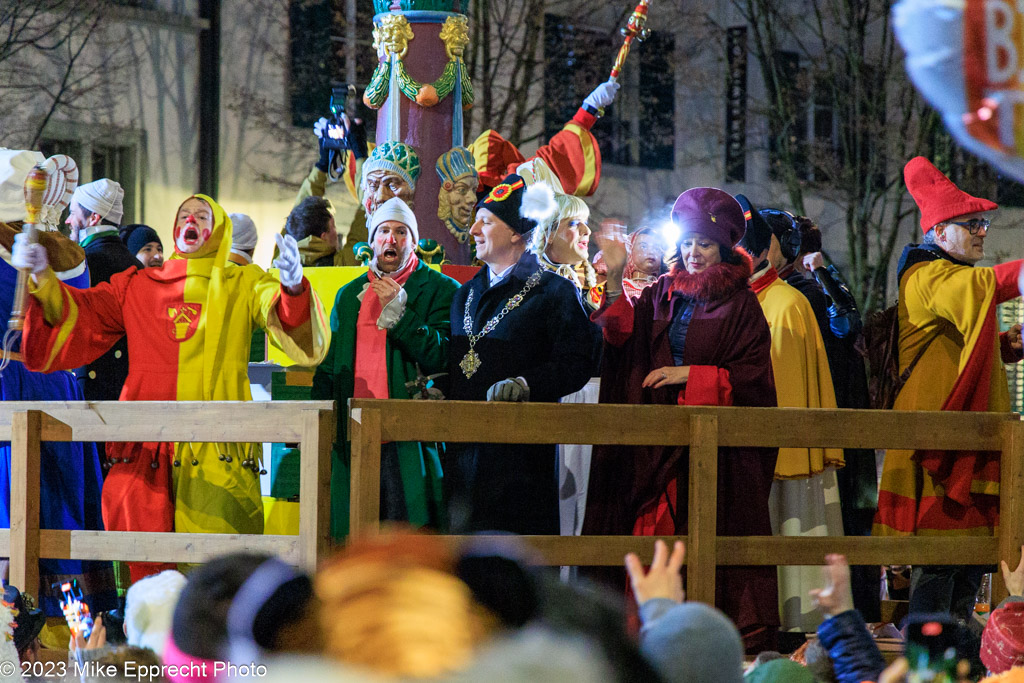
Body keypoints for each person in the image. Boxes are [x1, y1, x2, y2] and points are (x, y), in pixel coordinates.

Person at [17, 194, 329, 583]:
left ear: (218, 230)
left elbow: (286, 321)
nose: (191, 220)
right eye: (184, 215)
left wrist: (294, 286)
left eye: (201, 215)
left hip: (216, 455)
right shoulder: (137, 284)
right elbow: (82, 312)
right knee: (146, 581)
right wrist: (44, 279)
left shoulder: (243, 282)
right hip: (145, 455)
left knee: (215, 581)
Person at [585, 188, 779, 651]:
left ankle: (701, 637)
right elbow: (623, 342)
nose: (693, 254)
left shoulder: (743, 305)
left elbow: (753, 379)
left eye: (705, 245)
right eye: (688, 242)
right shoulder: (660, 292)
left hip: (711, 450)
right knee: (651, 534)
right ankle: (644, 629)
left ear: (724, 248)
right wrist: (613, 282)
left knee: (703, 536)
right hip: (655, 443)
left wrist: (692, 375)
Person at [876, 156, 1024, 621]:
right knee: (939, 565)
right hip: (939, 447)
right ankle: (930, 663)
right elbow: (976, 290)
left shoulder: (948, 274)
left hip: (962, 438)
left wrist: (1003, 345)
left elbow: (953, 343)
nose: (983, 231)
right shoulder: (927, 274)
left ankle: (958, 661)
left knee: (969, 566)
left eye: (982, 223)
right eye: (970, 224)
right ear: (939, 234)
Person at [446, 174, 600, 535]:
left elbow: (578, 361)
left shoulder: (554, 292)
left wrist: (527, 383)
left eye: (486, 221)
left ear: (516, 232)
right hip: (463, 461)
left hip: (519, 465)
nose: (474, 231)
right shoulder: (463, 295)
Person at [0, 149, 115, 618]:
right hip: (59, 385)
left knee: (16, 504)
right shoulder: (69, 251)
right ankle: (75, 623)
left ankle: (16, 623)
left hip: (11, 383)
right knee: (60, 505)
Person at [312, 197, 459, 539]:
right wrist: (316, 417)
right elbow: (332, 366)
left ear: (413, 240)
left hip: (408, 436)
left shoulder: (442, 289)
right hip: (353, 433)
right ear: (371, 241)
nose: (391, 240)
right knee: (354, 537)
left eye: (401, 232)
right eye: (383, 232)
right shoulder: (349, 295)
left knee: (409, 536)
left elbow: (445, 358)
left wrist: (402, 317)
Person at [763, 209, 879, 622]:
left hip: (830, 419)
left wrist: (827, 275)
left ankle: (850, 612)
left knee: (845, 514)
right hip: (813, 420)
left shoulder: (806, 291)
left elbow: (847, 325)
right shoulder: (775, 292)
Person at [738, 194, 844, 633]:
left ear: (763, 253)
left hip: (781, 459)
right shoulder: (749, 301)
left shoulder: (783, 304)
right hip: (749, 457)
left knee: (792, 534)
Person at [470, 80, 620, 198]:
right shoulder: (499, 189)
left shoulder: (501, 190)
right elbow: (548, 165)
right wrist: (588, 109)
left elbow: (546, 166)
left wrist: (589, 109)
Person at [66, 179, 141, 409]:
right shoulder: (138, 266)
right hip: (131, 389)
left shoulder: (82, 264)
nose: (68, 221)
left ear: (94, 218)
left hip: (92, 390)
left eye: (72, 213)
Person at [622, 227, 666, 300]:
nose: (651, 252)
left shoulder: (665, 289)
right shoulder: (620, 289)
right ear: (631, 251)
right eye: (643, 247)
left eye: (656, 248)